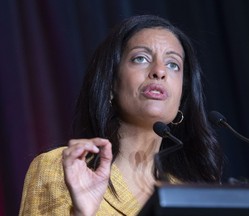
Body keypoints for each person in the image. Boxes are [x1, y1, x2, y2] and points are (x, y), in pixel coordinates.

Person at [19, 14, 223, 215]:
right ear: (111, 84)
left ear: (182, 95)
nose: (159, 71)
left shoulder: (190, 197)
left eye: (173, 64)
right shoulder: (60, 169)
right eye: (140, 58)